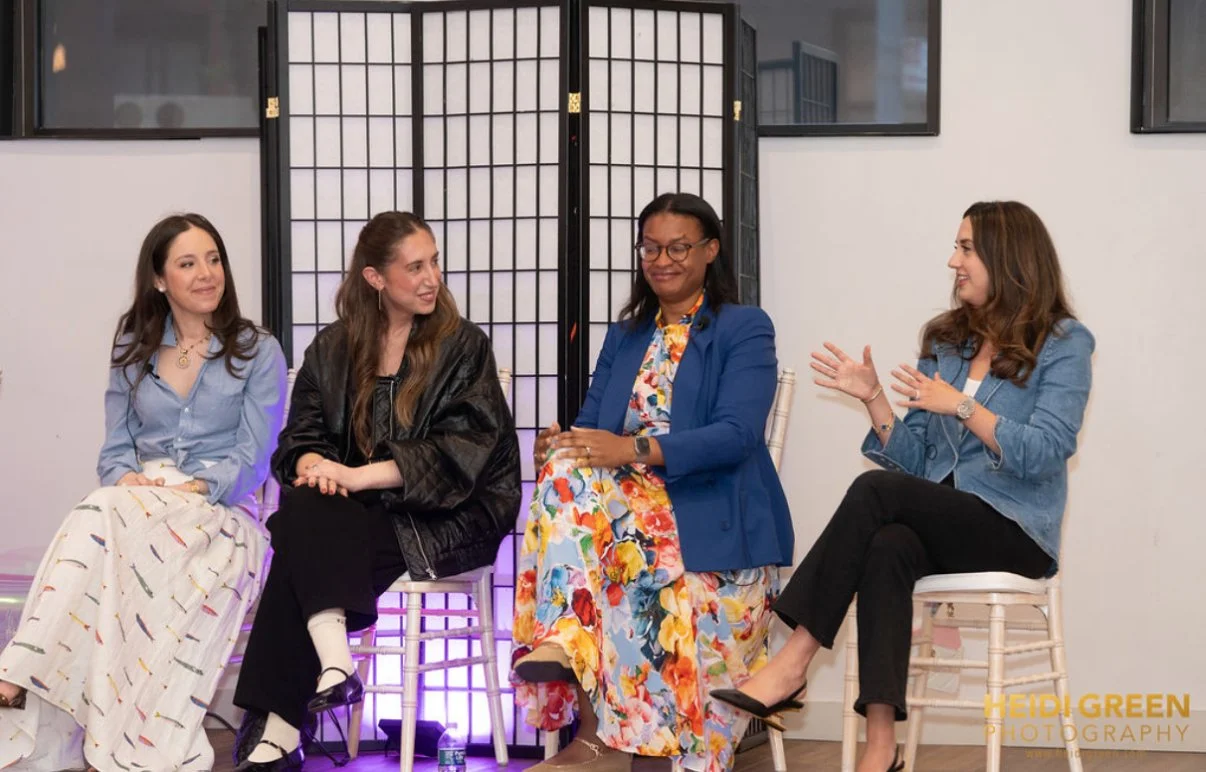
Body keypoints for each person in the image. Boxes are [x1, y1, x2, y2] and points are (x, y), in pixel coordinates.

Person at [712, 200, 1095, 772]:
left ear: (1007, 257)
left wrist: (962, 405)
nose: (953, 261)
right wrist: (873, 399)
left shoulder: (1064, 343)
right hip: (949, 521)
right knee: (888, 543)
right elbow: (917, 469)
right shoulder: (946, 341)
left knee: (873, 495)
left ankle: (793, 661)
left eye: (965, 249)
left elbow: (1045, 453)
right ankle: (881, 750)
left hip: (1015, 531)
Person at [511, 192, 795, 772]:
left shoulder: (744, 328)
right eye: (650, 247)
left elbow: (737, 435)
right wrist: (564, 443)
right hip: (628, 519)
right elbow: (594, 423)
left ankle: (634, 743)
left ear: (710, 251)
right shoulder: (628, 334)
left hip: (711, 516)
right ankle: (563, 640)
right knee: (565, 470)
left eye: (677, 247)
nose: (661, 259)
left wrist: (634, 448)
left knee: (642, 572)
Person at [231, 211, 522, 771]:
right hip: (353, 513)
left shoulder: (463, 347)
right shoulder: (334, 347)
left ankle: (286, 724)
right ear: (375, 279)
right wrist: (314, 461)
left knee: (298, 544)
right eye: (415, 267)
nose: (431, 277)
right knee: (307, 510)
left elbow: (465, 452)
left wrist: (357, 475)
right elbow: (298, 440)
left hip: (449, 515)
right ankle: (335, 669)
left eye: (433, 261)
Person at [0, 213, 288, 771]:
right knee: (105, 507)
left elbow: (254, 461)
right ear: (160, 279)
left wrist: (192, 486)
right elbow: (114, 452)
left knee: (99, 514)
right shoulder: (135, 344)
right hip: (138, 506)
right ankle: (29, 678)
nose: (207, 274)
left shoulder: (257, 351)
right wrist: (128, 479)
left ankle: (17, 672)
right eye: (187, 263)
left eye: (214, 259)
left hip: (221, 514)